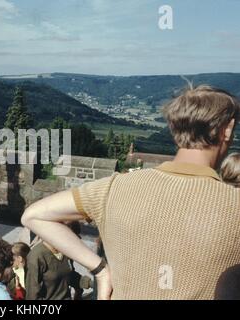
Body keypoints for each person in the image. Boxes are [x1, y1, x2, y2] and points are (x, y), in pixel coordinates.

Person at [21, 85, 240, 300]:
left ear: (175, 129)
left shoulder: (113, 188)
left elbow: (33, 215)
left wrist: (100, 269)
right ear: (227, 129)